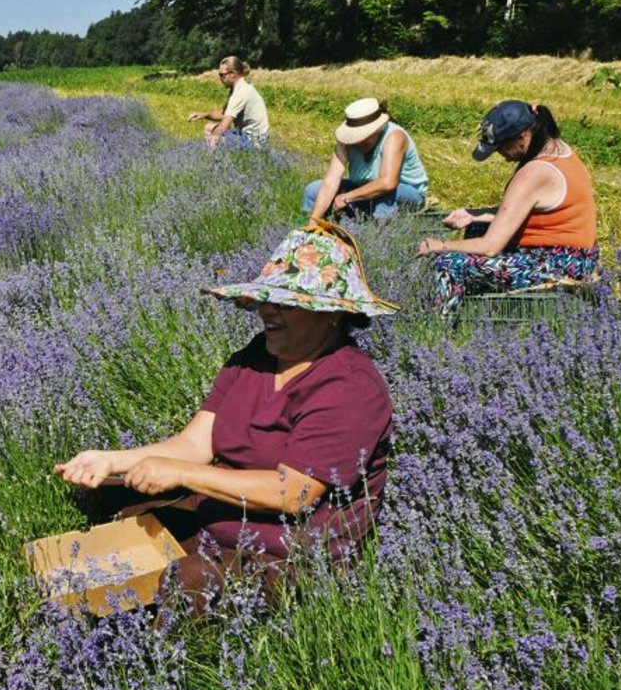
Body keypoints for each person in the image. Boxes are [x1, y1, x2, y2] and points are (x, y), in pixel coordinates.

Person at [54, 223, 396, 611]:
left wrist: (181, 475)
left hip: (289, 553)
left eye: (285, 303)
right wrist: (112, 460)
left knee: (186, 586)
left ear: (331, 314)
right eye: (266, 299)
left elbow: (294, 494)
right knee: (113, 507)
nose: (268, 311)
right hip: (222, 520)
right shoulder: (255, 357)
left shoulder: (350, 386)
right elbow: (197, 443)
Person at [416, 100, 598, 315]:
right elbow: (529, 208)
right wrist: (473, 215)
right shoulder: (558, 149)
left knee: (450, 263)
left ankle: (438, 328)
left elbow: (490, 247)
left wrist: (439, 245)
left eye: (501, 146)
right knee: (476, 228)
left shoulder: (534, 172)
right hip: (577, 257)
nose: (500, 154)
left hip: (556, 264)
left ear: (522, 137)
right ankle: (479, 312)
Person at [303, 98, 428, 221]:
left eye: (364, 137)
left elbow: (387, 183)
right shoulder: (345, 142)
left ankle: (380, 234)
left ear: (378, 129)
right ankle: (315, 229)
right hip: (363, 189)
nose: (359, 141)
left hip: (405, 192)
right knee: (313, 190)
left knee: (383, 196)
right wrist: (314, 219)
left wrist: (347, 197)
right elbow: (330, 182)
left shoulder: (394, 137)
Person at [187, 55, 269, 146]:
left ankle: (213, 159)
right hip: (246, 135)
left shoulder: (241, 92)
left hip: (253, 140)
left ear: (233, 74)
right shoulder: (238, 88)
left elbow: (225, 124)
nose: (220, 78)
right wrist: (204, 115)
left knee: (215, 137)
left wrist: (212, 140)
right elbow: (224, 114)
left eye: (222, 75)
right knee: (209, 128)